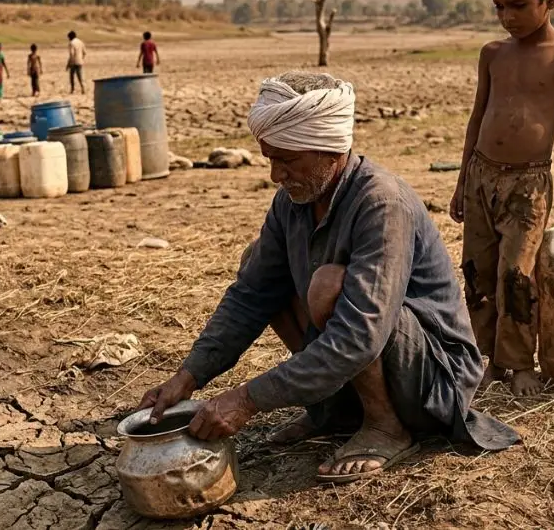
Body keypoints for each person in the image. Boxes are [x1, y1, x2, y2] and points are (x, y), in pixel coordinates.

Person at [138, 71, 520, 485]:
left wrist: (247, 400)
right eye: (270, 159)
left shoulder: (381, 203)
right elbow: (251, 295)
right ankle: (332, 410)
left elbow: (361, 335)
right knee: (260, 265)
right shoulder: (292, 204)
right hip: (373, 361)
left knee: (329, 285)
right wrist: (188, 376)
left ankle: (385, 425)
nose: (275, 175)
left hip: (432, 380)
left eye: (287, 160)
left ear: (330, 149)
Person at [449, 0, 554, 397]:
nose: (506, 16)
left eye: (518, 5)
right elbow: (477, 118)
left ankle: (518, 363)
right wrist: (461, 182)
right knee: (478, 271)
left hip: (528, 185)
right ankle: (485, 359)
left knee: (516, 275)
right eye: (498, 6)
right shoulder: (492, 53)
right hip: (480, 176)